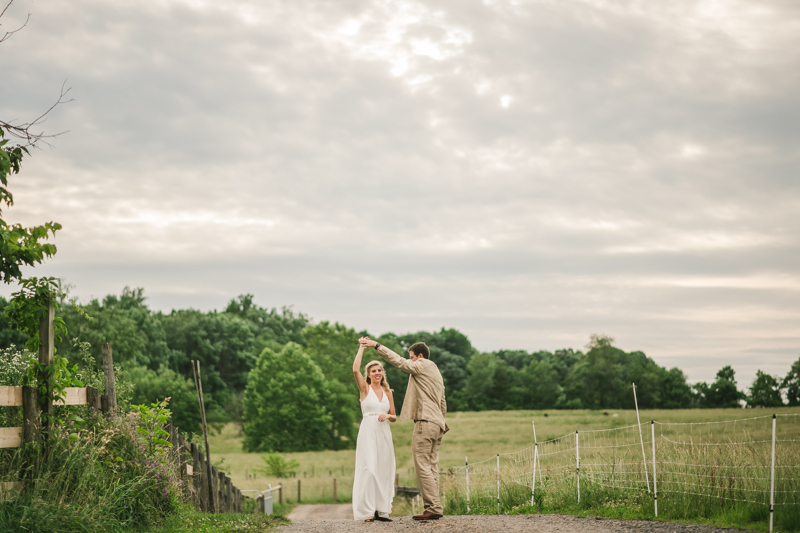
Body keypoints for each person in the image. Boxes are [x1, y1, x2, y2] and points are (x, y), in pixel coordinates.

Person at [358, 337, 447, 521]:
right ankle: (436, 506)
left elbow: (399, 362)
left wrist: (377, 346)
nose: (410, 360)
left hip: (425, 421)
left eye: (411, 357)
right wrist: (440, 422)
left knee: (422, 465)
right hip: (437, 423)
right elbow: (442, 401)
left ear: (420, 356)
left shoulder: (422, 364)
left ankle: (432, 507)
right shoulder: (436, 371)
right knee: (431, 466)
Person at [351, 343, 397, 522]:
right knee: (369, 469)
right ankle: (368, 511)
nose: (377, 373)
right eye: (373, 371)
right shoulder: (365, 389)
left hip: (383, 433)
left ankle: (381, 510)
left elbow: (394, 416)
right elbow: (355, 370)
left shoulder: (387, 391)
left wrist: (387, 416)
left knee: (383, 470)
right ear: (369, 375)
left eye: (379, 370)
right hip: (368, 431)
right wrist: (362, 347)